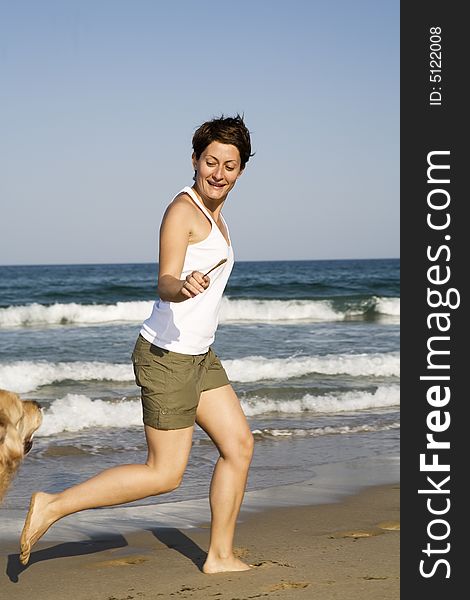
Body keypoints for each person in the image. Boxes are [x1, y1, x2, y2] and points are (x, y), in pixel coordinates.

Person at [19, 114, 255, 574]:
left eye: (230, 165)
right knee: (164, 473)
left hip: (199, 355)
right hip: (167, 357)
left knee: (239, 445)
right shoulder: (183, 210)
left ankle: (220, 556)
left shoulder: (217, 215)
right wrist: (179, 286)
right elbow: (165, 278)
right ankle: (52, 504)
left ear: (242, 170)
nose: (219, 173)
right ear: (194, 159)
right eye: (211, 162)